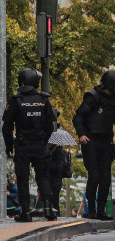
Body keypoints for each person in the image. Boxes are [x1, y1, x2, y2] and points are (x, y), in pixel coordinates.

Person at [73, 69, 115, 220]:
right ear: (111, 83)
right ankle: (91, 210)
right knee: (94, 176)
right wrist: (81, 134)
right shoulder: (92, 96)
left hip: (106, 143)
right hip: (91, 142)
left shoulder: (113, 100)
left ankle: (101, 210)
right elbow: (78, 117)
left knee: (106, 178)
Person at [2, 68, 57, 222]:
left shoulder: (16, 100)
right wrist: (44, 141)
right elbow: (50, 125)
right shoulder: (43, 100)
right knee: (43, 177)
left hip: (22, 146)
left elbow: (6, 127)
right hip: (39, 145)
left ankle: (25, 211)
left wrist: (9, 146)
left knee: (23, 178)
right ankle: (48, 207)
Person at [48, 142, 69, 215]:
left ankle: (56, 215)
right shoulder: (48, 151)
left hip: (55, 181)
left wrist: (48, 162)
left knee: (54, 201)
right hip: (50, 180)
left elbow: (59, 168)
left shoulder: (58, 151)